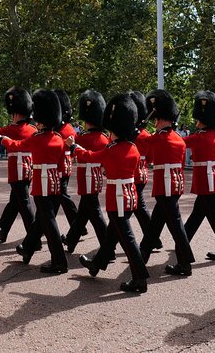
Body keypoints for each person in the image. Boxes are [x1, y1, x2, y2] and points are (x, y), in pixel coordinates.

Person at [74, 93, 150, 293]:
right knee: (111, 235)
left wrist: (73, 147)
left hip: (117, 198)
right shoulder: (132, 148)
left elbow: (90, 157)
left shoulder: (112, 149)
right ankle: (97, 264)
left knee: (127, 239)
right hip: (130, 195)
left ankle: (140, 278)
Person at [0, 89, 68, 274]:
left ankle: (59, 261)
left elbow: (16, 145)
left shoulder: (36, 139)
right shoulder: (59, 139)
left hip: (42, 184)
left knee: (49, 222)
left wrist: (1, 138)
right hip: (55, 183)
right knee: (41, 219)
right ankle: (27, 246)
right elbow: (61, 165)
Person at [138, 89, 195, 276]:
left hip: (165, 186)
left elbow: (142, 144)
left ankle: (185, 263)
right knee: (155, 225)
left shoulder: (159, 139)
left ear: (159, 119)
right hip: (175, 185)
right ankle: (141, 256)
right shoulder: (178, 139)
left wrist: (136, 127)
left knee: (175, 226)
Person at [182, 90, 215, 261]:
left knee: (214, 215)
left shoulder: (200, 137)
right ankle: (182, 241)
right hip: (214, 177)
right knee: (199, 213)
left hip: (205, 180)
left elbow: (178, 143)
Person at [62, 89, 109, 254]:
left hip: (87, 179)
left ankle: (107, 247)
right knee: (83, 212)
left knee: (95, 213)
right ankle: (71, 239)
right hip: (95, 179)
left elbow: (68, 144)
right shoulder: (104, 138)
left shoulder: (82, 139)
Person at [0, 87, 38, 243]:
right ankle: (3, 228)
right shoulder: (33, 129)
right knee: (15, 201)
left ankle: (34, 235)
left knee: (23, 202)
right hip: (28, 169)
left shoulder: (10, 129)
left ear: (16, 113)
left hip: (17, 170)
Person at [129, 91, 161, 249]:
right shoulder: (144, 134)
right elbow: (150, 158)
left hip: (132, 174)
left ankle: (152, 239)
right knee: (138, 208)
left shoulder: (133, 135)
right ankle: (154, 239)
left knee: (129, 209)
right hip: (142, 173)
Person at [53, 89, 80, 231]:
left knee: (61, 195)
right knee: (56, 198)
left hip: (61, 167)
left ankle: (78, 226)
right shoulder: (62, 127)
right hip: (61, 166)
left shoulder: (66, 129)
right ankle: (45, 224)